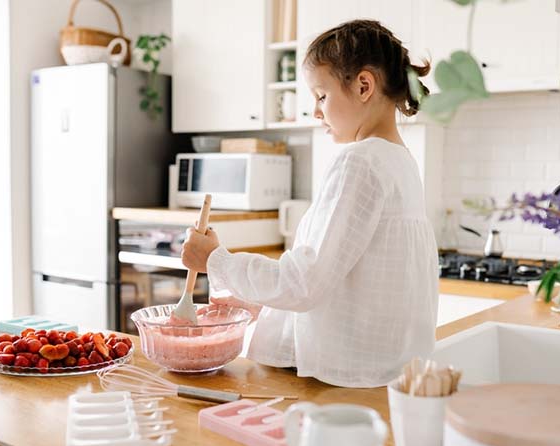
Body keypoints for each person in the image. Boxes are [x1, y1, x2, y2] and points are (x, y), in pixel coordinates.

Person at [181, 19, 438, 387]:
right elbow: (336, 282)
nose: (316, 112)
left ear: (364, 86)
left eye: (321, 96)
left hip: (335, 383)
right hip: (381, 376)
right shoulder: (401, 162)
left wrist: (215, 261)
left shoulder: (360, 162)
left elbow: (303, 283)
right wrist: (255, 300)